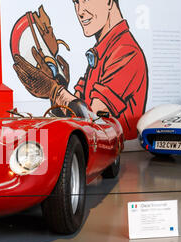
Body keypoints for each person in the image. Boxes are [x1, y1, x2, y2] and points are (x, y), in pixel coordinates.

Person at [13, 0, 148, 140]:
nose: (80, 11)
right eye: (76, 2)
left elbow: (93, 121)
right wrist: (58, 84)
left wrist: (55, 90)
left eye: (86, 0)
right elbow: (75, 115)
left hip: (115, 154)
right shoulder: (102, 51)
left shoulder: (125, 51)